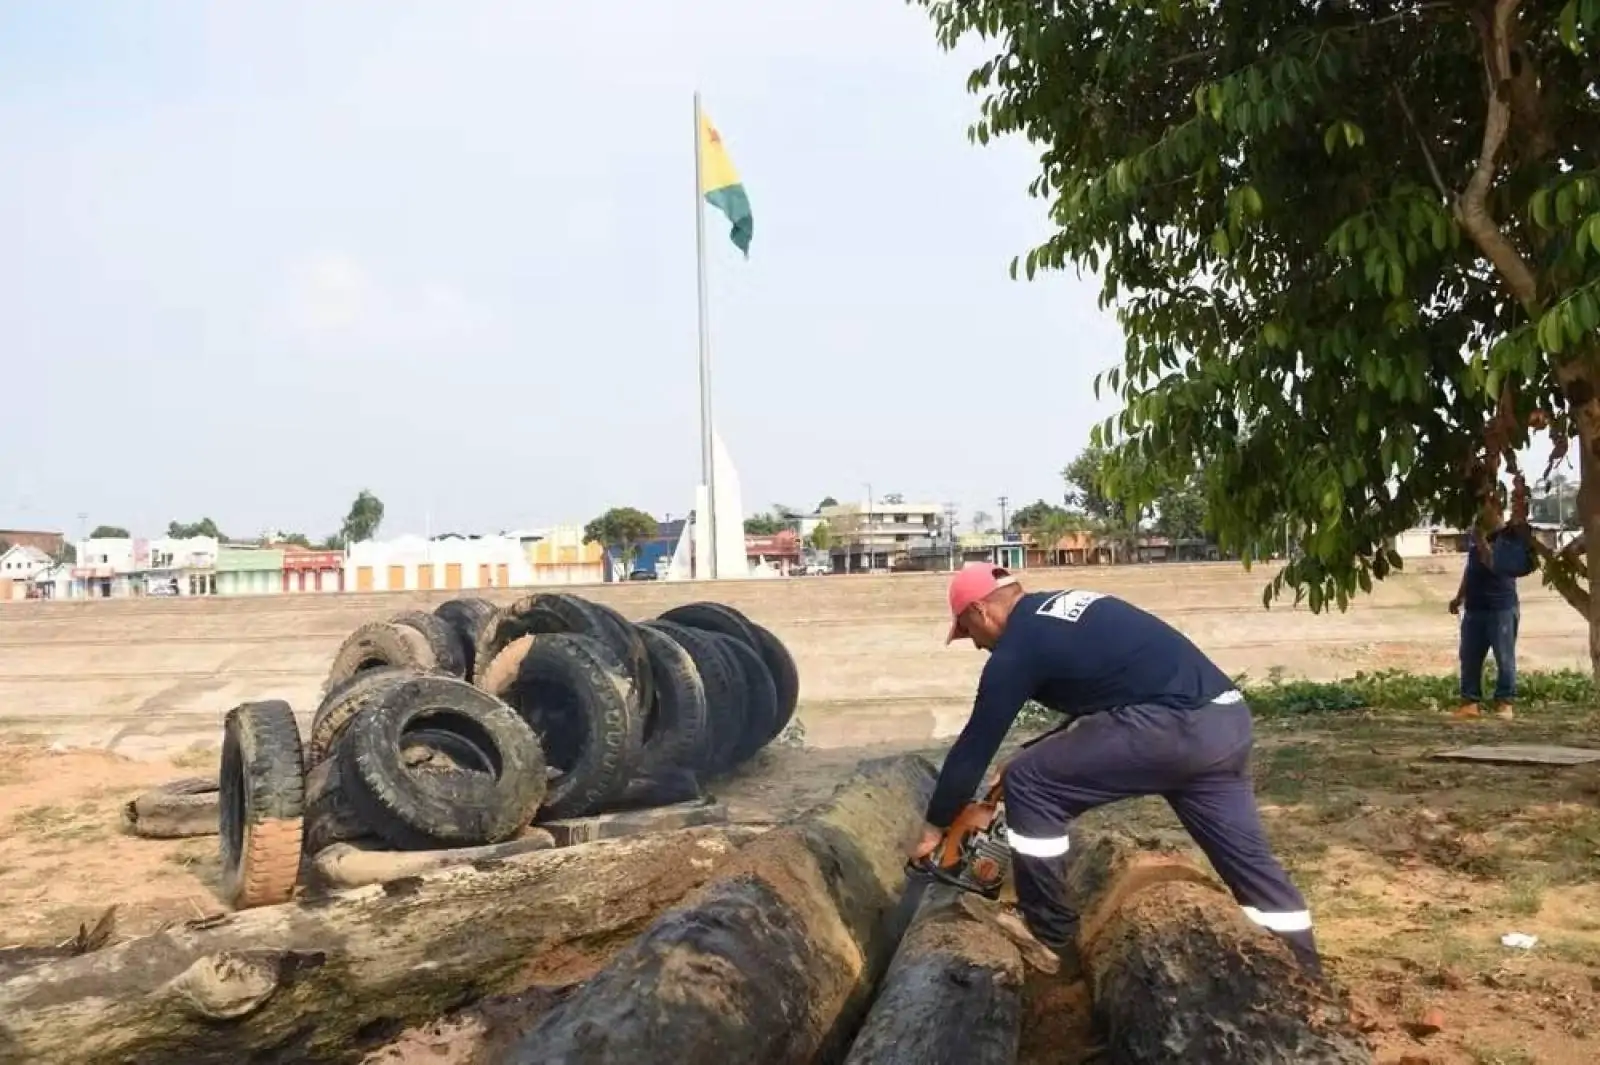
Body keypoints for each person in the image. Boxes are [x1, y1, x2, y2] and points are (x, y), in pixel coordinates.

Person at [908, 562, 1322, 977]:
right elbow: (1110, 696)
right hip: (1224, 724)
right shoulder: (1059, 612)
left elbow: (976, 742)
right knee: (1250, 864)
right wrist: (1032, 749)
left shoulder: (1017, 646)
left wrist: (934, 827)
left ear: (981, 612)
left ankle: (1046, 931)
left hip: (1172, 727)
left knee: (1030, 783)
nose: (976, 645)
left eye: (967, 632)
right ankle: (1304, 971)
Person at [1449, 511, 1534, 719]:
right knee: (1469, 657)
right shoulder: (1475, 544)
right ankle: (1470, 702)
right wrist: (1459, 597)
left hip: (1501, 609)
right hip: (1475, 609)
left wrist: (1480, 542)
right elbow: (1470, 571)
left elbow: (1494, 564)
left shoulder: (1508, 543)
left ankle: (1505, 703)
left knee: (1504, 658)